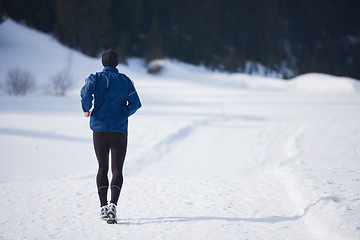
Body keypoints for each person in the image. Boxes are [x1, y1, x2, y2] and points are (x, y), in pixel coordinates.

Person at [80, 49, 141, 224]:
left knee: (102, 168)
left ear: (103, 63)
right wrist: (123, 113)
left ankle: (102, 207)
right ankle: (113, 205)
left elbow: (85, 93)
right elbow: (136, 103)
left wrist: (86, 108)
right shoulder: (125, 80)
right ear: (116, 63)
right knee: (117, 169)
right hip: (119, 130)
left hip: (99, 129)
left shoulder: (95, 78)